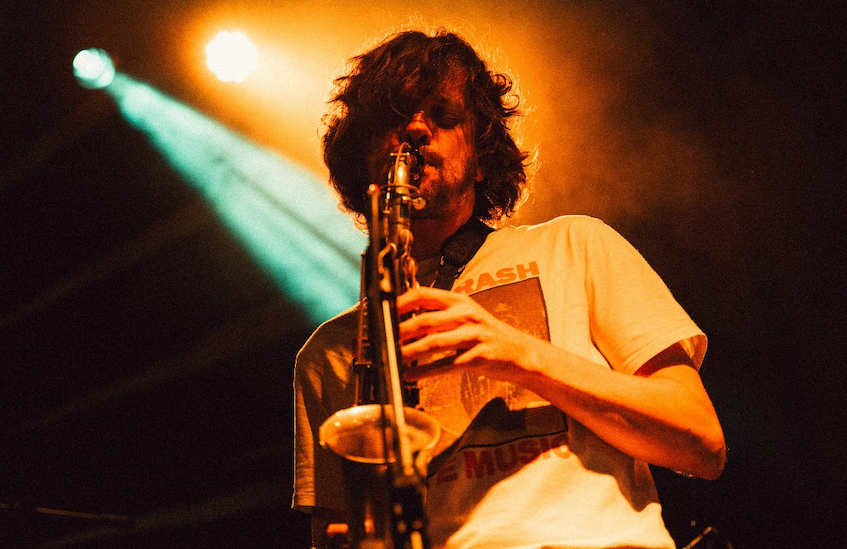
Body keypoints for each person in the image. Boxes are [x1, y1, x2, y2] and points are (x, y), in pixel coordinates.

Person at [293, 29, 725, 549]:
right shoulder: (328, 353)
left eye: (443, 116)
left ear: (481, 157)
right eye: (392, 116)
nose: (415, 129)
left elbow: (701, 442)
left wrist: (519, 355)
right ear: (362, 157)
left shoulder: (576, 245)